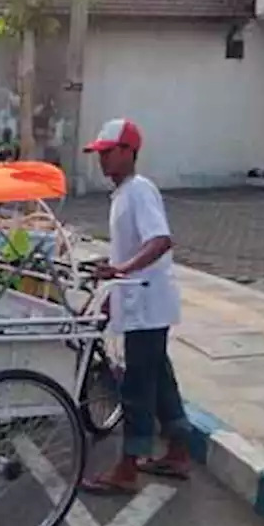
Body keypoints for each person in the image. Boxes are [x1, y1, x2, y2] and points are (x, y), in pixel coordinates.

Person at [80, 118, 189, 494]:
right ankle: (178, 449)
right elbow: (128, 248)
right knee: (159, 378)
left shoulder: (140, 190)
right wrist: (113, 284)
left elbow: (160, 240)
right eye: (100, 155)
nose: (103, 161)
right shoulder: (124, 193)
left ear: (128, 152)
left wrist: (121, 271)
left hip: (147, 300)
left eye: (108, 153)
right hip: (139, 300)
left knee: (137, 388)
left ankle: (128, 467)